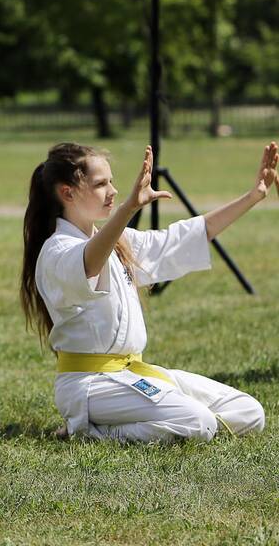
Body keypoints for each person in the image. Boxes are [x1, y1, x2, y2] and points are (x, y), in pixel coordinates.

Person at [20, 142, 271, 443]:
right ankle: (89, 432)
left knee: (249, 412)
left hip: (134, 374)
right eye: (101, 184)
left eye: (112, 181)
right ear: (67, 192)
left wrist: (253, 195)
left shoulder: (117, 241)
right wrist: (129, 208)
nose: (112, 191)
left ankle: (173, 419)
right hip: (90, 385)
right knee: (199, 422)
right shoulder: (56, 251)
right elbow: (88, 263)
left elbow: (180, 238)